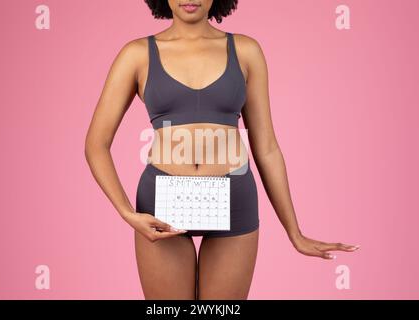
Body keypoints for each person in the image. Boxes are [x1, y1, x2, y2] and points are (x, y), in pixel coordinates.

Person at [84, 0, 360, 300]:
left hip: (233, 197)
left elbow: (266, 148)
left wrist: (294, 232)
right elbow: (96, 144)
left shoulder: (245, 51)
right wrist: (127, 213)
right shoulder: (136, 54)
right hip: (161, 205)